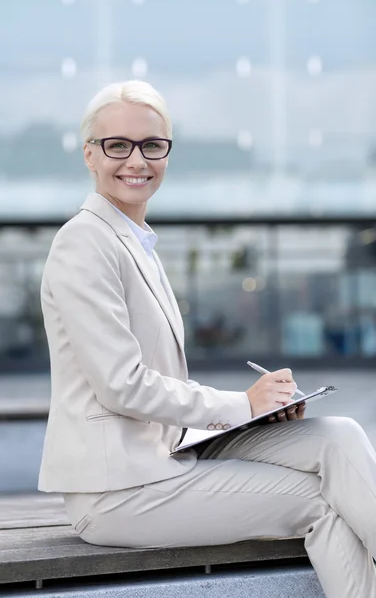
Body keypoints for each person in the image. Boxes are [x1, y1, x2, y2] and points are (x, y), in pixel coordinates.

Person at [38, 80, 376, 598]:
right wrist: (241, 404)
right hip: (117, 490)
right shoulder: (84, 242)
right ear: (90, 154)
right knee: (320, 500)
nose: (137, 159)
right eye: (117, 145)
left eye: (153, 145)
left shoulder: (134, 240)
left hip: (168, 454)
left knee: (341, 437)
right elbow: (121, 386)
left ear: (167, 153)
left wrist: (260, 410)